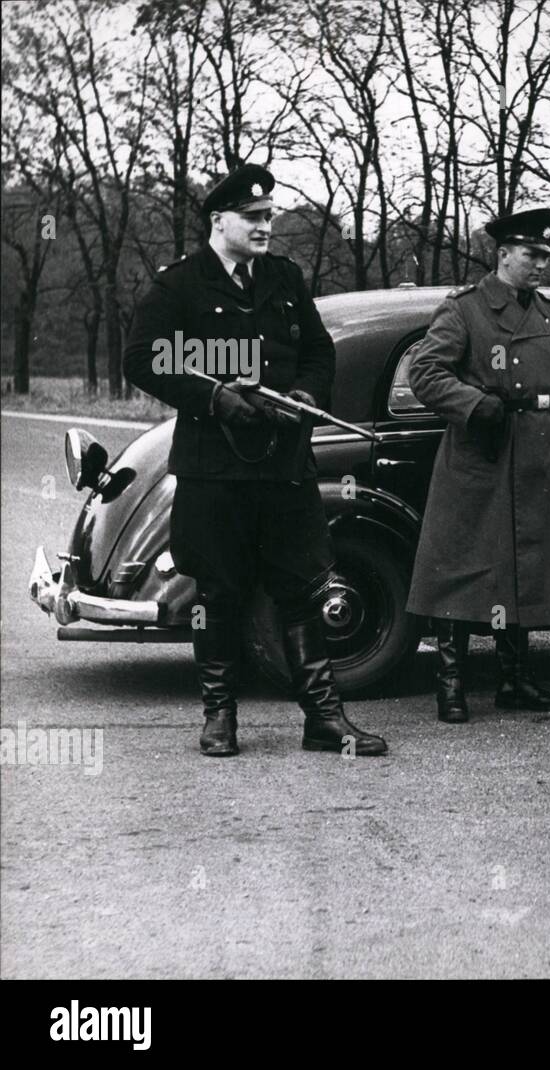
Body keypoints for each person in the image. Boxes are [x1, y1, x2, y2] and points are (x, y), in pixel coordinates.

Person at [123, 163, 387, 758]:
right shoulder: (180, 286)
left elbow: (318, 352)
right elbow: (142, 359)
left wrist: (306, 396)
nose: (267, 225)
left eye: (270, 216)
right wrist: (214, 397)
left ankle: (324, 720)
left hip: (283, 463)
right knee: (219, 592)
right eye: (255, 217)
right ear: (220, 221)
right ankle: (220, 719)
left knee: (302, 589)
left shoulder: (286, 278)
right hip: (216, 468)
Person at [405, 208, 550, 724]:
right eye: (531, 255)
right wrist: (474, 404)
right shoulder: (466, 309)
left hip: (538, 455)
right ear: (504, 253)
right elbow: (424, 371)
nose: (540, 266)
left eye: (546, 257)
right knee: (463, 570)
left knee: (524, 568)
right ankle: (450, 683)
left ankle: (515, 679)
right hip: (481, 456)